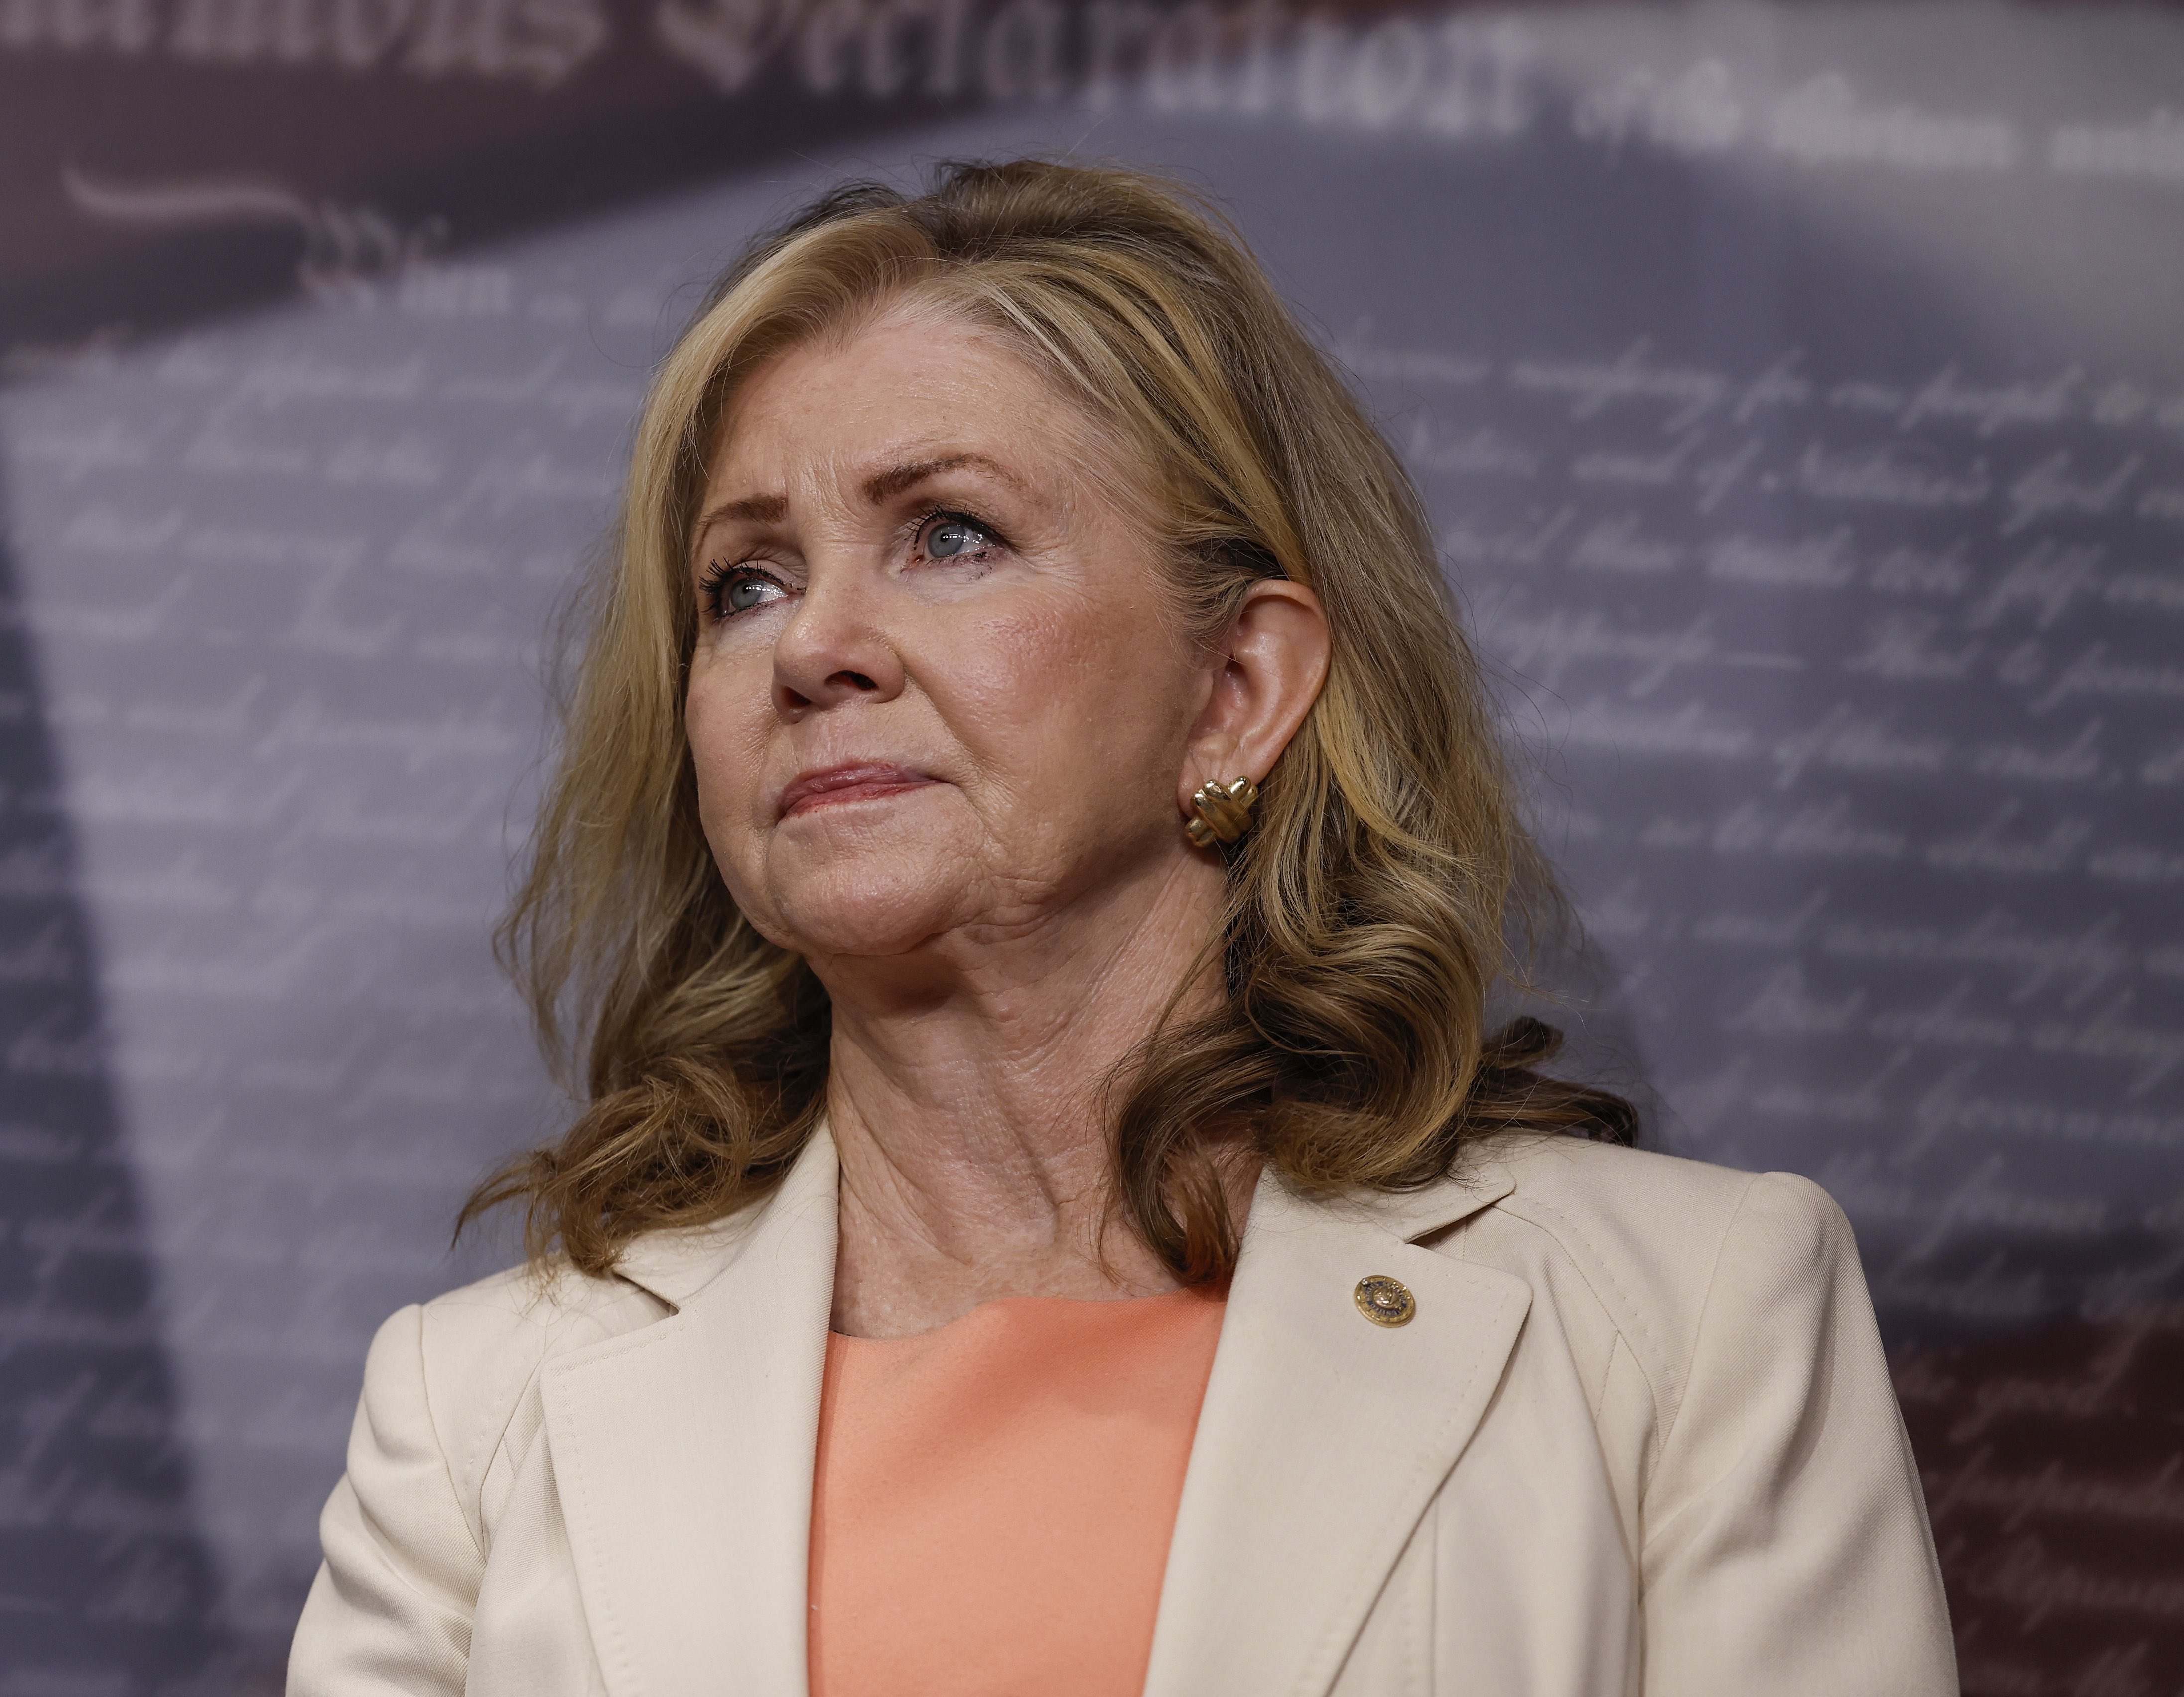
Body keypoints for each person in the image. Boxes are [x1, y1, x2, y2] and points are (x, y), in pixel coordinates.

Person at [286, 159, 1958, 1697]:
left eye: (950, 536)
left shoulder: (1685, 1324)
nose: (812, 647)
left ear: (1237, 689)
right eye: (749, 583)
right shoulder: (476, 1418)